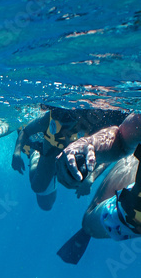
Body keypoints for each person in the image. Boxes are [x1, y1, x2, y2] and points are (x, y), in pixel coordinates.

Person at [55, 112, 141, 263]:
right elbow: (121, 139)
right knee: (91, 224)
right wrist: (90, 145)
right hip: (132, 211)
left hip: (133, 214)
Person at [11, 105, 127, 212]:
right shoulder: (50, 118)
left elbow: (115, 151)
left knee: (51, 196)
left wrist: (91, 177)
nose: (64, 124)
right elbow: (26, 131)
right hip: (50, 155)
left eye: (68, 119)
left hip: (71, 158)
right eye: (60, 117)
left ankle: (47, 164)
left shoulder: (96, 126)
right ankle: (36, 153)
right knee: (39, 189)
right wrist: (16, 153)